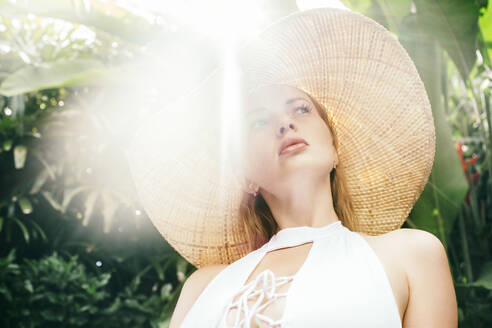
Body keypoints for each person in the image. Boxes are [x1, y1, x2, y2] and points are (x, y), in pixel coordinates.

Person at [125, 7, 458, 328]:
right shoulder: (202, 287)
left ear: (334, 149)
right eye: (259, 121)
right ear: (246, 177)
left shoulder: (412, 255)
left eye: (300, 109)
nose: (284, 123)